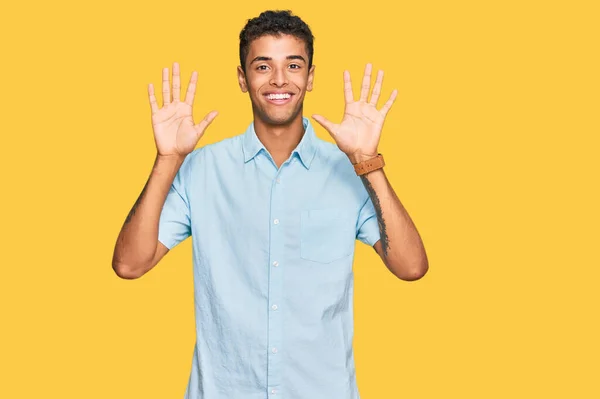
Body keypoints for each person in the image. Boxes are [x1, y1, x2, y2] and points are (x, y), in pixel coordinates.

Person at [112, 9, 428, 399]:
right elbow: (129, 264)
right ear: (243, 79)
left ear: (310, 78)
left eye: (293, 65)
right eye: (263, 66)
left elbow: (411, 266)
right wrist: (167, 161)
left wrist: (368, 161)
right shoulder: (202, 170)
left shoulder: (349, 171)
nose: (279, 79)